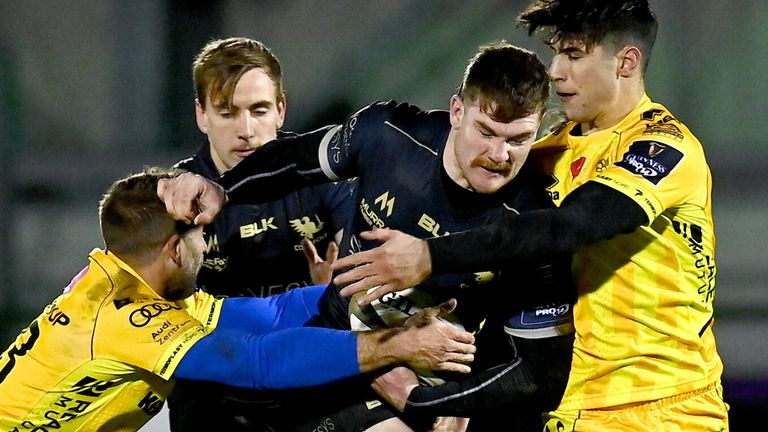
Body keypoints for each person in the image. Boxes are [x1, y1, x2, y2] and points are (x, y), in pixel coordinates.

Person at [324, 1, 731, 430]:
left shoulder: (664, 147)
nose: (555, 71)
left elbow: (572, 226)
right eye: (557, 53)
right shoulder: (544, 154)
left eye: (574, 55)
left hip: (662, 406)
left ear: (626, 62)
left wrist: (428, 255)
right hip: (566, 410)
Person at [158, 42, 576, 431]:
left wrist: (441, 403)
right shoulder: (389, 135)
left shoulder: (533, 226)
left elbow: (539, 374)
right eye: (486, 132)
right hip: (333, 344)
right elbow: (293, 159)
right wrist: (220, 188)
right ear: (457, 112)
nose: (500, 156)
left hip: (416, 384)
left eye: (520, 140)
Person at [0, 168, 475, 432]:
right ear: (172, 248)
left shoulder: (132, 280)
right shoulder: (128, 314)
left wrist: (380, 288)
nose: (206, 248)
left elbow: (273, 313)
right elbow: (256, 362)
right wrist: (395, 346)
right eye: (201, 237)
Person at [168, 36, 355, 431]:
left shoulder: (324, 174)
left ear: (281, 110)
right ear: (201, 115)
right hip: (219, 383)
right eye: (227, 113)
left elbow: (374, 271)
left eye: (259, 110)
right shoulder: (175, 199)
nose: (247, 130)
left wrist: (339, 289)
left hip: (316, 369)